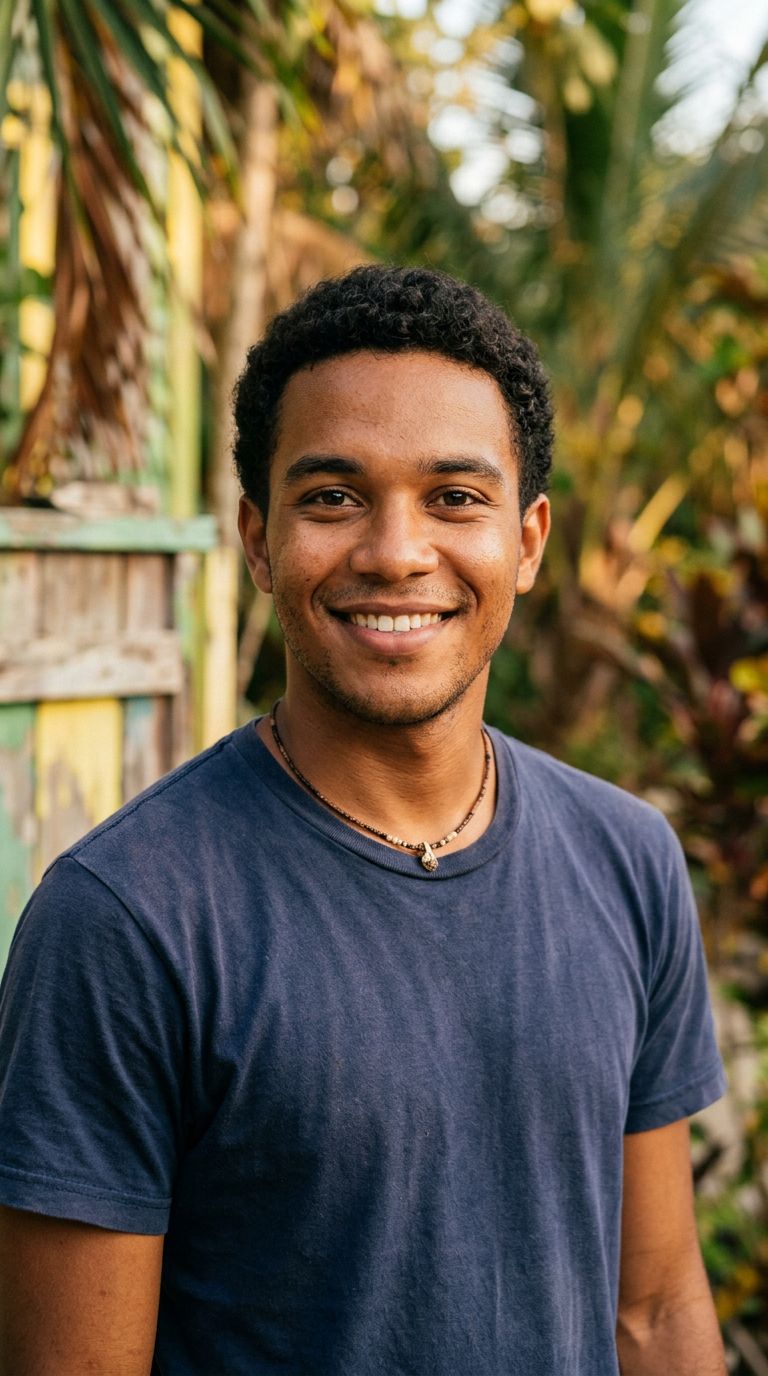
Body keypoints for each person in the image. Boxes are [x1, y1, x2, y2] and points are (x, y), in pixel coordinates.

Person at [0, 266, 727, 1376]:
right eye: (334, 496)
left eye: (456, 497)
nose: (396, 550)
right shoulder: (125, 919)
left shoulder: (626, 859)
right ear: (257, 538)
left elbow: (657, 1311)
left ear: (527, 540)